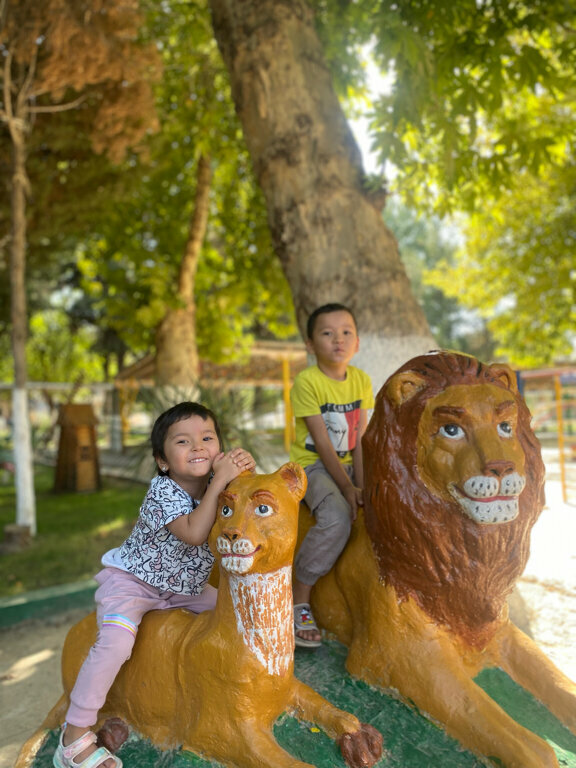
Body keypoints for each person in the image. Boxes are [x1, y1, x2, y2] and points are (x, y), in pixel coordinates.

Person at [53, 401, 256, 768]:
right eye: (182, 442)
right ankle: (73, 735)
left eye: (207, 438)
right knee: (115, 643)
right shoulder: (161, 493)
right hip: (134, 583)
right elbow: (195, 533)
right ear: (163, 462)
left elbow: (242, 506)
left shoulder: (218, 484)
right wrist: (223, 480)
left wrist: (244, 473)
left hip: (185, 587)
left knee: (236, 614)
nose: (197, 447)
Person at [290, 303, 374, 648]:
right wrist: (346, 488)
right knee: (338, 517)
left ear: (357, 342)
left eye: (346, 332)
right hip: (313, 465)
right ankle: (299, 598)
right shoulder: (307, 382)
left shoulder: (361, 380)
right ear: (311, 344)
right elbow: (323, 444)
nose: (338, 339)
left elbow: (360, 441)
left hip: (351, 467)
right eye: (327, 333)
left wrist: (364, 487)